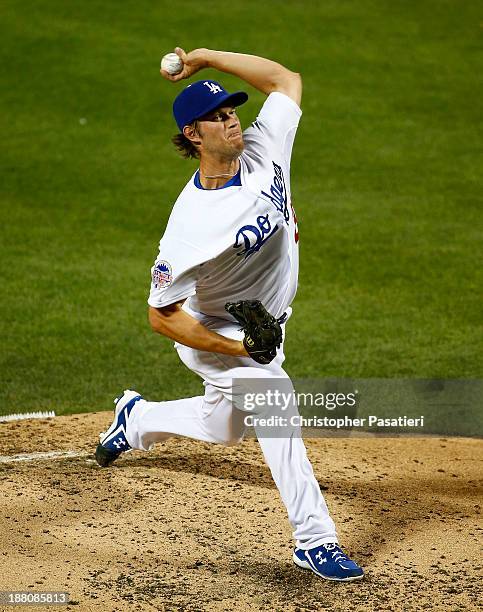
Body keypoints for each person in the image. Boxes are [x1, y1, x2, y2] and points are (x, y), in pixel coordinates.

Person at [95, 47, 364, 582]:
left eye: (232, 110)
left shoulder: (265, 145)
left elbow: (286, 79)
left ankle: (138, 419)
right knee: (275, 399)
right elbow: (161, 316)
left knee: (223, 426)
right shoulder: (192, 225)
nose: (231, 120)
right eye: (217, 118)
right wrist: (239, 349)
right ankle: (315, 539)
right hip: (214, 332)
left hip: (260, 325)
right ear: (193, 136)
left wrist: (209, 60)